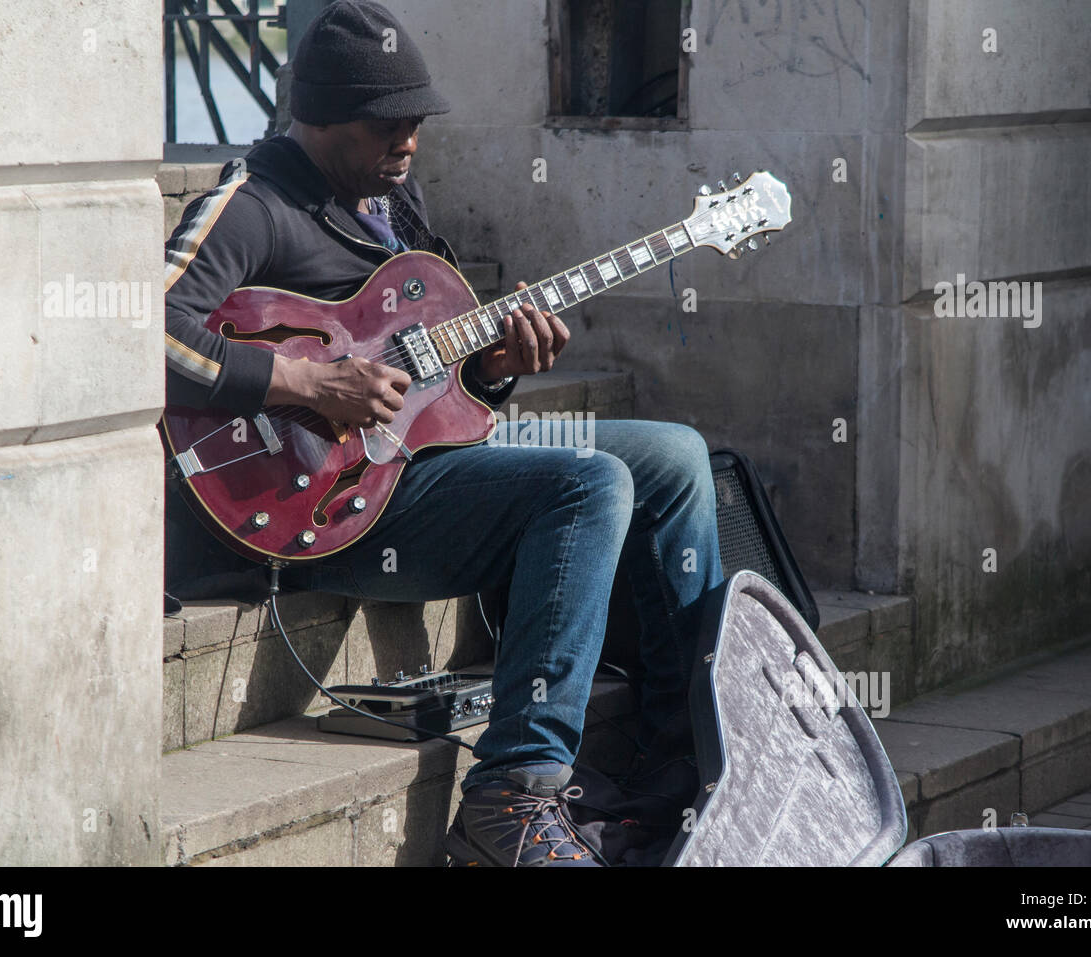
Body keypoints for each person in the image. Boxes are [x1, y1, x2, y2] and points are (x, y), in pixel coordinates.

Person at [164, 0, 723, 866]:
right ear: (321, 118)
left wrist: (494, 367)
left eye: (417, 120)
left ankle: (682, 756)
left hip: (430, 461)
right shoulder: (252, 203)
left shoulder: (396, 204)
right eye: (388, 122)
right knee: (591, 482)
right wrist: (306, 380)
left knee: (676, 456)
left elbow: (441, 385)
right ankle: (510, 793)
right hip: (331, 502)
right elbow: (146, 329)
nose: (410, 140)